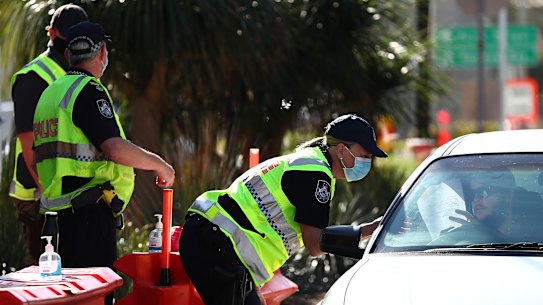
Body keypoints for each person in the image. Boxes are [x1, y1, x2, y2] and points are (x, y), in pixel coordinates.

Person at [32, 21, 175, 303]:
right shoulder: (88, 91)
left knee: (65, 299)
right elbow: (115, 149)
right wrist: (160, 164)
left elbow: (42, 157)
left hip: (55, 220)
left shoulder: (50, 94)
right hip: (88, 217)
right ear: (101, 53)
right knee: (96, 296)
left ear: (68, 55)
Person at [179, 113, 386, 305]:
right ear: (341, 149)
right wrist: (367, 234)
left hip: (211, 239)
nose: (367, 162)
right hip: (217, 244)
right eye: (365, 155)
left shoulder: (309, 162)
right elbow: (315, 244)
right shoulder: (315, 174)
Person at [9, 4, 89, 265]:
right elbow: (28, 139)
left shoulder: (77, 74)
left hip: (67, 195)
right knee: (43, 269)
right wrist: (50, 195)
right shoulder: (33, 77)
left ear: (51, 32)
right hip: (39, 195)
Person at [450, 169, 516, 236]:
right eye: (472, 194)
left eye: (482, 192)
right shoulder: (467, 238)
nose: (475, 200)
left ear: (507, 195)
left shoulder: (525, 238)